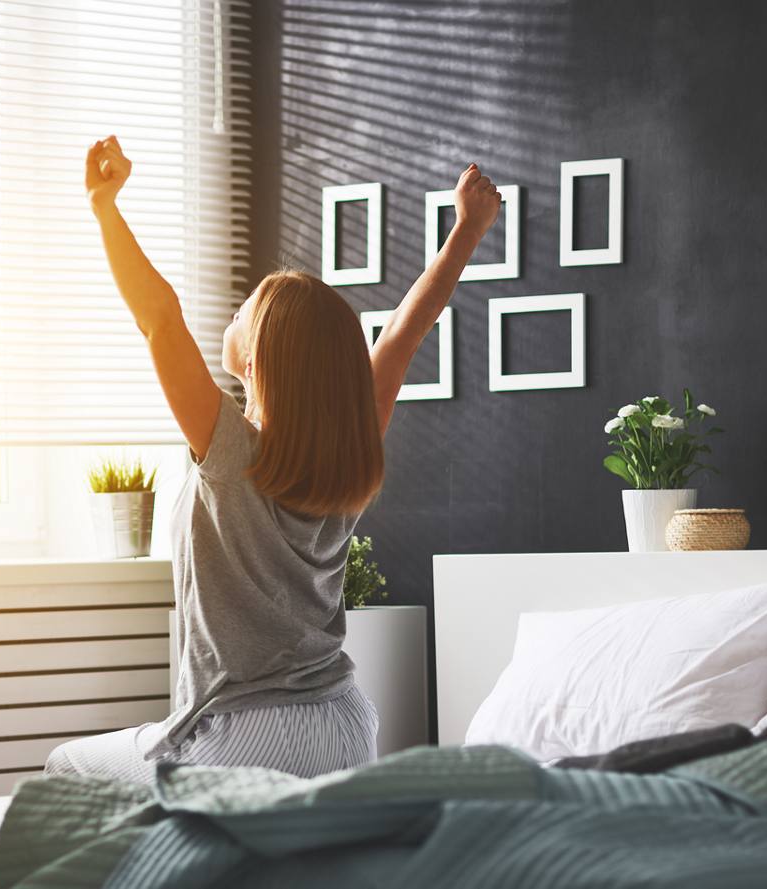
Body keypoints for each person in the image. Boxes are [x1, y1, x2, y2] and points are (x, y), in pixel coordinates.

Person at [44, 135, 501, 783]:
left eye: (244, 309)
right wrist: (468, 229)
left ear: (259, 359)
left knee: (66, 765)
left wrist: (105, 208)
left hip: (241, 735)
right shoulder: (351, 448)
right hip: (344, 725)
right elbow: (406, 329)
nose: (233, 312)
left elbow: (160, 318)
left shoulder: (229, 451)